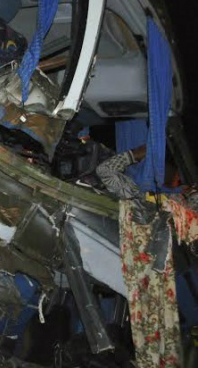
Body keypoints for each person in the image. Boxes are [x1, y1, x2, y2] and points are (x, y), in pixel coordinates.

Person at [96, 145, 198, 368]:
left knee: (166, 333)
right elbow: (104, 171)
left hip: (170, 276)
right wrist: (134, 155)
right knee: (149, 330)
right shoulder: (136, 194)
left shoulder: (178, 204)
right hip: (144, 275)